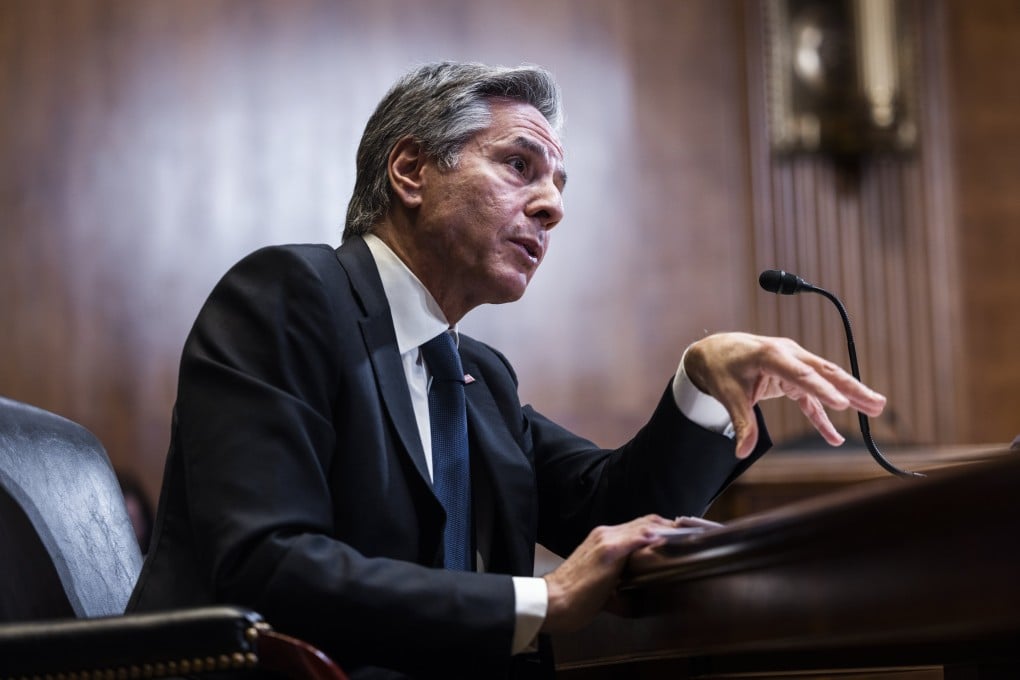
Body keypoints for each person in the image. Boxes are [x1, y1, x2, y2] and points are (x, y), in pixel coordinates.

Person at [128, 62, 886, 679]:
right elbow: (268, 566)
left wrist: (703, 386)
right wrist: (540, 602)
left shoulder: (479, 379)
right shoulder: (286, 299)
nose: (552, 206)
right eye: (520, 166)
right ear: (411, 171)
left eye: (558, 184)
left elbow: (613, 513)